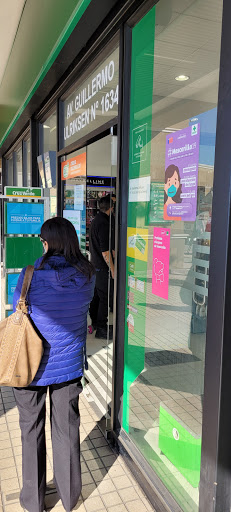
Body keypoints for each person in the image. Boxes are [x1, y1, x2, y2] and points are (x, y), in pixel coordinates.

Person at [13, 217, 95, 512]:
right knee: (67, 427)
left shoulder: (30, 274)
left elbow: (17, 311)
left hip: (30, 367)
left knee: (30, 429)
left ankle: (33, 502)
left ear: (46, 242)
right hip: (69, 368)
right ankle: (70, 495)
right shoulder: (88, 275)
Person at [89, 194, 115, 339]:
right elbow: (105, 251)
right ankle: (102, 329)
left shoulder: (96, 220)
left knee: (97, 298)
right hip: (101, 267)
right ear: (110, 207)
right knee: (105, 299)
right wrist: (113, 269)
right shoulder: (104, 223)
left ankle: (96, 324)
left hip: (95, 266)